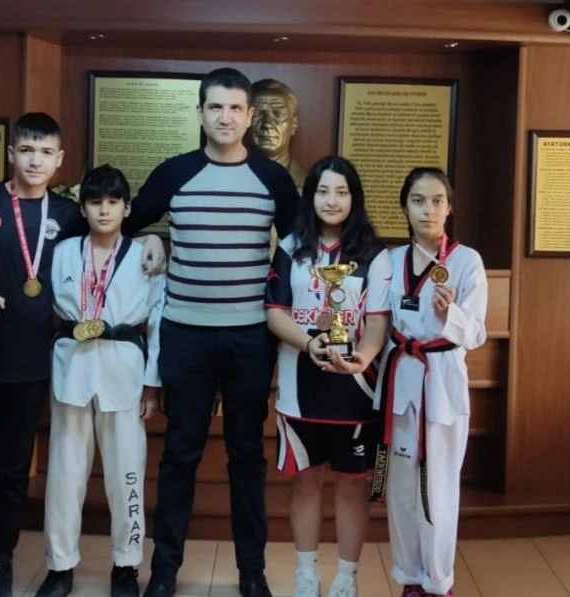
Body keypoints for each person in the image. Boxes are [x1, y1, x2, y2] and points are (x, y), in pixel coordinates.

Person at [0, 113, 164, 597]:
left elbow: (115, 233)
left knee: (14, 474)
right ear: (11, 153)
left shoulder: (66, 215)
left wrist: (153, 240)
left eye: (46, 152)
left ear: (59, 159)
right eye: (26, 150)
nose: (35, 160)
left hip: (29, 366)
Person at [128, 67, 300, 597]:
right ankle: (164, 571)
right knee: (180, 454)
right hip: (187, 335)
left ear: (249, 116)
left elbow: (302, 248)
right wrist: (149, 239)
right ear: (200, 113)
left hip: (251, 338)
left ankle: (251, 571)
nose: (225, 117)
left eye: (235, 108)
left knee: (246, 455)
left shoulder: (273, 180)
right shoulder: (174, 173)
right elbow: (122, 224)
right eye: (215, 107)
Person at [34, 165, 164, 597]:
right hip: (72, 366)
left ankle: (126, 565)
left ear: (127, 208)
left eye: (113, 202)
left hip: (124, 368)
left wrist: (152, 383)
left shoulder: (146, 257)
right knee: (64, 474)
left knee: (126, 474)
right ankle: (59, 566)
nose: (104, 210)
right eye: (95, 202)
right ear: (83, 208)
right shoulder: (64, 252)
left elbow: (157, 324)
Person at [264, 156, 391, 597]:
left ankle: (346, 577)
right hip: (299, 388)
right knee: (305, 482)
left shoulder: (375, 254)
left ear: (354, 198)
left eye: (341, 192)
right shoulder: (291, 247)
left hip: (356, 391)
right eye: (322, 191)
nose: (331, 201)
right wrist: (309, 344)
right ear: (310, 196)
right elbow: (275, 313)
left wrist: (362, 357)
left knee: (354, 486)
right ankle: (305, 574)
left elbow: (377, 321)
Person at [377, 168, 488, 597]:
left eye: (438, 200)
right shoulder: (390, 261)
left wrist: (450, 314)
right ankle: (409, 578)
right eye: (418, 200)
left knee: (438, 487)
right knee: (401, 486)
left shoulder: (466, 261)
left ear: (450, 207)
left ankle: (439, 583)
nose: (428, 209)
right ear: (405, 207)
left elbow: (475, 333)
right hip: (401, 379)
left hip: (441, 383)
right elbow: (378, 323)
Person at [248, 78, 307, 190]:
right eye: (258, 115)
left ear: (294, 124)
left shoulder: (309, 184)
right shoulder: (230, 181)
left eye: (278, 115)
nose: (267, 124)